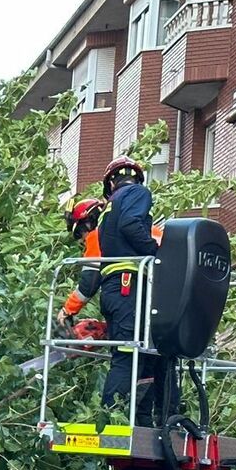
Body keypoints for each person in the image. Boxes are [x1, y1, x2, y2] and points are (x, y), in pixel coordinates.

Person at [95, 155, 162, 413]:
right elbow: (131, 225)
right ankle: (109, 417)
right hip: (128, 285)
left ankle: (140, 418)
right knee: (128, 355)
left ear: (111, 183)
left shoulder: (108, 208)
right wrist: (154, 251)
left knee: (142, 355)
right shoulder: (137, 193)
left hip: (115, 288)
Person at [56, 196, 106, 333]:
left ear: (88, 224)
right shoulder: (141, 229)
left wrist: (67, 310)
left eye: (80, 233)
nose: (83, 240)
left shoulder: (97, 236)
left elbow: (89, 282)